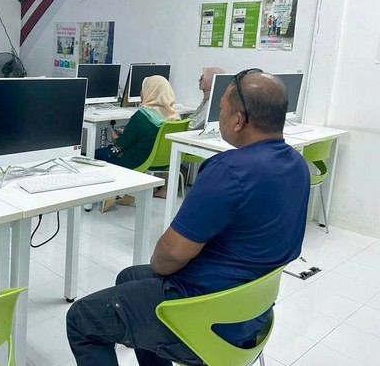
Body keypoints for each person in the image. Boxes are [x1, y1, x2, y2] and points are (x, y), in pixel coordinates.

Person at [66, 70, 310, 365]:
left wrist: (164, 262)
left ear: (238, 119)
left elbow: (170, 256)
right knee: (129, 278)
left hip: (205, 314)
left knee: (82, 319)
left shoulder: (229, 170)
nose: (219, 115)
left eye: (221, 108)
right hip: (251, 310)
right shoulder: (297, 165)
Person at [95, 75, 180, 210]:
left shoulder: (142, 116)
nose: (141, 92)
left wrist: (116, 137)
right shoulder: (174, 116)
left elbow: (123, 143)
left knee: (99, 153)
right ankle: (129, 195)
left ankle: (110, 194)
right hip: (162, 161)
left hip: (137, 160)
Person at [188, 66, 226, 131]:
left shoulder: (211, 103)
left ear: (211, 80)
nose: (199, 80)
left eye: (202, 78)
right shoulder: (207, 98)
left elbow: (193, 125)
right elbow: (193, 117)